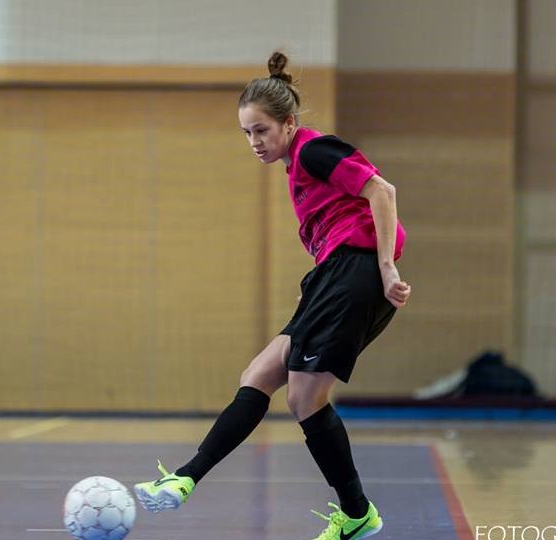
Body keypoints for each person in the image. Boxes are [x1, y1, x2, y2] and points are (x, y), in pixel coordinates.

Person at [133, 51, 410, 540]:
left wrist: (385, 267)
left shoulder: (311, 150)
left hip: (356, 272)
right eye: (246, 133)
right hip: (332, 276)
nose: (254, 142)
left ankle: (357, 514)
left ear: (288, 124)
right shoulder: (295, 164)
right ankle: (185, 478)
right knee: (259, 374)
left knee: (305, 398)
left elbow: (382, 192)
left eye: (261, 130)